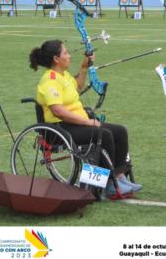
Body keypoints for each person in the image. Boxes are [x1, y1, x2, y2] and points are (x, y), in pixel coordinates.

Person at [29, 39, 142, 197]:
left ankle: (119, 176)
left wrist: (83, 68)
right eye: (66, 53)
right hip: (60, 128)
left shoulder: (64, 75)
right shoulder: (50, 80)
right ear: (56, 59)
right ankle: (108, 184)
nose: (69, 56)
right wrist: (87, 122)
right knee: (104, 134)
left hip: (75, 123)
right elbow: (58, 111)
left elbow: (77, 86)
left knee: (120, 131)